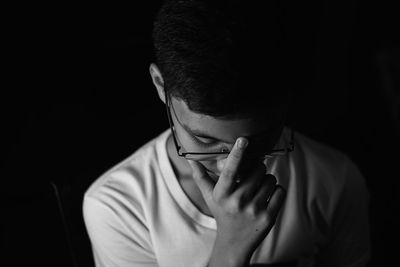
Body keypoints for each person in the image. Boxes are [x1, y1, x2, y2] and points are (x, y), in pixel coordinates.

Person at [83, 0, 371, 266]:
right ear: (161, 86)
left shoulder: (337, 180)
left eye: (260, 140)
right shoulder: (118, 207)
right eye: (205, 140)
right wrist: (231, 248)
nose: (229, 164)